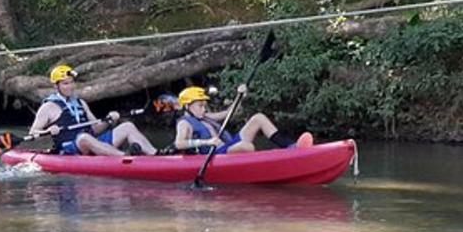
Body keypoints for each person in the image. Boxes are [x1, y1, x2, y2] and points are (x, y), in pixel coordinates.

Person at [28, 64, 159, 156]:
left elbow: (95, 128)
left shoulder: (81, 103)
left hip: (92, 142)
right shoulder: (48, 107)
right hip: (70, 148)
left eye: (72, 82)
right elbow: (33, 133)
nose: (70, 87)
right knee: (83, 137)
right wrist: (48, 131)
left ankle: (156, 154)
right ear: (56, 86)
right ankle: (125, 156)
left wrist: (108, 120)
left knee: (128, 126)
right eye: (65, 83)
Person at [174, 85, 313, 154]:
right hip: (213, 154)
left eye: (205, 105)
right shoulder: (184, 123)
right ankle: (260, 168)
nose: (204, 109)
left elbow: (230, 113)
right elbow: (179, 144)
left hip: (226, 147)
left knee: (258, 118)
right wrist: (208, 141)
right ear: (187, 106)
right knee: (246, 146)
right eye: (200, 105)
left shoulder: (204, 116)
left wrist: (240, 96)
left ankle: (291, 147)